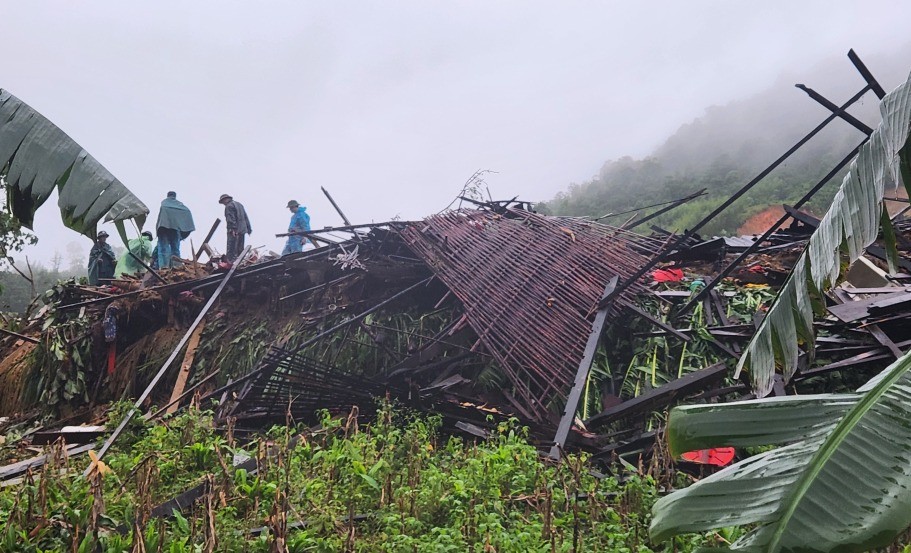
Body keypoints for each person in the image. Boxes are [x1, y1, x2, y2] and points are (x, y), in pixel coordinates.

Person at [156, 191, 195, 269]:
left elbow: (161, 218)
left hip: (164, 227)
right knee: (175, 248)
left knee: (164, 248)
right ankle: (177, 266)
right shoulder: (180, 205)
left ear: (167, 195)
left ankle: (164, 266)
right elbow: (187, 211)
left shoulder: (164, 203)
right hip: (175, 229)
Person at [218, 193, 252, 262]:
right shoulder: (240, 205)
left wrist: (232, 229)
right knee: (240, 249)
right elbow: (246, 217)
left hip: (235, 231)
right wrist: (249, 228)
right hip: (242, 230)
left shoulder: (229, 206)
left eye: (223, 202)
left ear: (225, 200)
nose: (223, 204)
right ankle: (239, 262)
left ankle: (231, 263)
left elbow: (230, 219)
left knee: (232, 249)